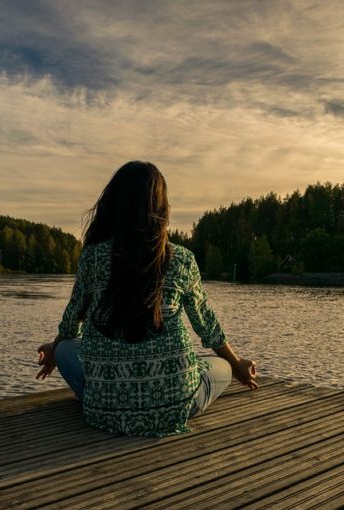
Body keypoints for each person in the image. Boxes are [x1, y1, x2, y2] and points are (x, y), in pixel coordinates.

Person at [36, 161, 258, 437]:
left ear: (113, 205)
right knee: (221, 365)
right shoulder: (181, 259)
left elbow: (72, 320)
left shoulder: (92, 257)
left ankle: (108, 395)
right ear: (161, 208)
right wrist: (237, 365)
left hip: (104, 410)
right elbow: (206, 325)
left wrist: (54, 349)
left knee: (67, 349)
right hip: (175, 406)